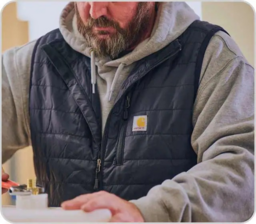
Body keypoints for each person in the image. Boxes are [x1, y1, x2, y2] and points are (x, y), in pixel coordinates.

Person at [2, 2, 254, 222]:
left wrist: (147, 213)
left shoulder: (213, 56)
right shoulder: (31, 62)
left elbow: (240, 170)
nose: (95, 10)